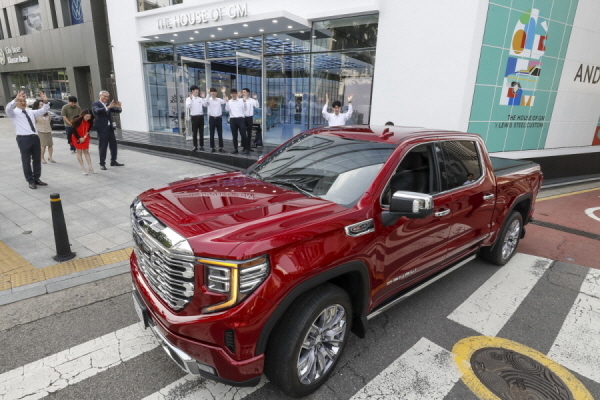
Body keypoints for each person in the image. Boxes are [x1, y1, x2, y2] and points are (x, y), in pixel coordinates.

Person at [7, 90, 50, 189]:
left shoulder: (30, 112)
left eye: (24, 101)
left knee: (37, 159)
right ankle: (30, 180)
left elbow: (42, 110)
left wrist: (46, 102)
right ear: (16, 102)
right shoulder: (13, 113)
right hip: (23, 138)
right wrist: (15, 100)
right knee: (26, 160)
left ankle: (36, 178)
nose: (23, 103)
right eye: (20, 101)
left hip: (34, 138)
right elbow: (8, 108)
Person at [92, 90, 123, 170]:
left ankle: (113, 161)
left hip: (110, 129)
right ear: (100, 96)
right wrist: (108, 107)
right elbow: (97, 111)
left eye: (107, 97)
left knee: (113, 146)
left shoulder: (108, 104)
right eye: (104, 96)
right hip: (102, 129)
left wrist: (119, 107)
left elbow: (117, 111)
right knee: (103, 146)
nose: (106, 98)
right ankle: (102, 163)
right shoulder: (96, 104)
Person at [71, 109, 96, 175]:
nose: (87, 118)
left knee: (86, 151)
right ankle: (83, 168)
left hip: (85, 136)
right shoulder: (77, 120)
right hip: (77, 137)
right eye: (86, 117)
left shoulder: (90, 121)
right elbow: (73, 130)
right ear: (83, 115)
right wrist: (79, 138)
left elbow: (88, 129)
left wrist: (84, 137)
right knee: (79, 151)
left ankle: (90, 166)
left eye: (89, 117)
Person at [225, 89, 249, 154]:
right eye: (232, 93)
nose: (234, 94)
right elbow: (227, 109)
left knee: (243, 134)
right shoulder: (229, 101)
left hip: (241, 119)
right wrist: (226, 102)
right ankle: (235, 149)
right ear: (231, 94)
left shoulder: (241, 100)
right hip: (233, 120)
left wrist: (244, 101)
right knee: (234, 135)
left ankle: (246, 148)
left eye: (235, 93)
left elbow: (245, 108)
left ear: (237, 94)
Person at [205, 87, 228, 153]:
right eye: (212, 92)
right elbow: (205, 103)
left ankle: (221, 147)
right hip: (212, 118)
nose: (214, 93)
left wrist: (223, 92)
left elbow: (224, 101)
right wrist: (207, 93)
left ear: (216, 93)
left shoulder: (219, 100)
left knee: (220, 134)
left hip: (219, 118)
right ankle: (212, 147)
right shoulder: (209, 100)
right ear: (211, 93)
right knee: (212, 134)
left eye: (215, 92)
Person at [33, 99, 55, 164]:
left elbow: (49, 120)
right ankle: (42, 157)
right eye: (41, 104)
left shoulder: (47, 113)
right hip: (40, 131)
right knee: (43, 145)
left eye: (43, 104)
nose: (42, 105)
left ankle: (50, 157)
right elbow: (33, 123)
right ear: (38, 105)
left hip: (48, 130)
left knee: (50, 145)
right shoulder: (35, 113)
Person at [186, 85, 206, 151]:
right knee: (194, 132)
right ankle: (195, 146)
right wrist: (191, 99)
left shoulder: (200, 99)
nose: (197, 91)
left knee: (201, 132)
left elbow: (205, 105)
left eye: (197, 90)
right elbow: (188, 106)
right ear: (192, 91)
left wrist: (204, 97)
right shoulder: (188, 99)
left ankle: (202, 146)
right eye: (196, 90)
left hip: (200, 117)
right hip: (194, 117)